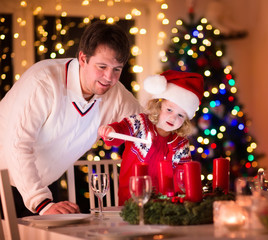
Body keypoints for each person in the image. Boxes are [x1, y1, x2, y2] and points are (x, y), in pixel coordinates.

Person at [0, 21, 142, 217]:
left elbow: (146, 129)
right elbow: (18, 144)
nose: (109, 77)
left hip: (44, 182)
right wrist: (41, 203)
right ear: (83, 58)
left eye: (117, 69)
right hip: (5, 179)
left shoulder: (115, 95)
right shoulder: (43, 81)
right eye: (102, 66)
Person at [98, 70, 204, 205]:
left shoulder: (180, 143)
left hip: (164, 202)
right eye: (169, 110)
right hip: (132, 197)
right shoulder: (141, 122)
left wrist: (181, 201)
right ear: (159, 106)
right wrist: (111, 131)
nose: (173, 118)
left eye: (181, 115)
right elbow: (121, 130)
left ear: (186, 120)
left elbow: (182, 176)